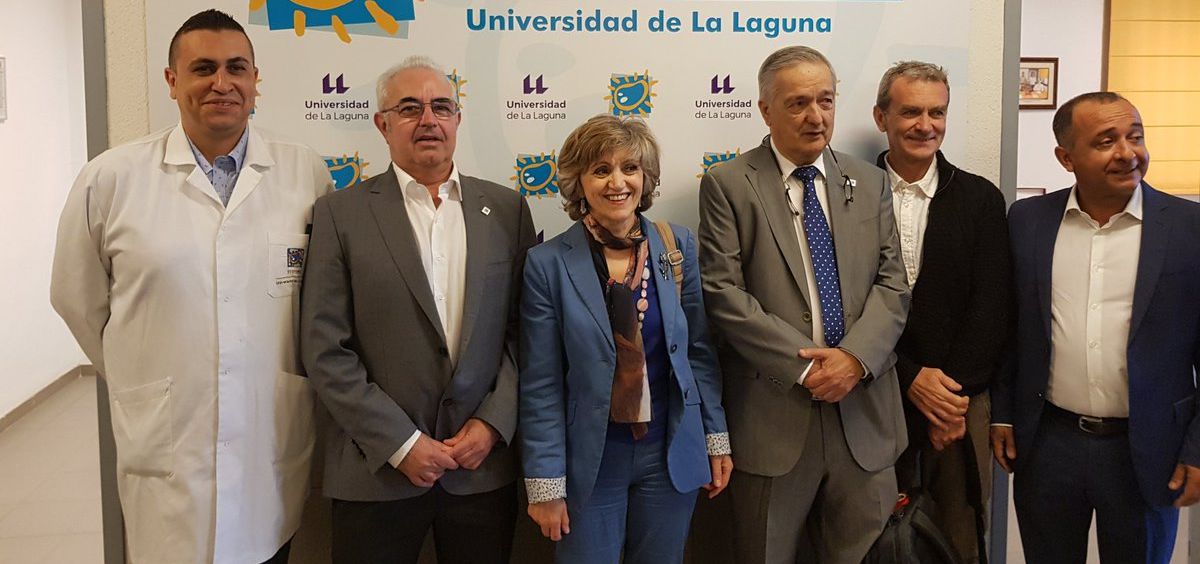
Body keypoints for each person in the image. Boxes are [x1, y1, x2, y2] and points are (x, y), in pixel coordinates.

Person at [49, 9, 333, 563]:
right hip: (167, 451)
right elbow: (76, 300)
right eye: (203, 68)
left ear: (255, 81)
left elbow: (319, 301)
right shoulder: (111, 179)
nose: (221, 83)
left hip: (268, 446)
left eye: (236, 68)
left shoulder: (305, 174)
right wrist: (136, 371)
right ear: (172, 80)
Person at [299, 56, 536, 564]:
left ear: (457, 119)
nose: (429, 119)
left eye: (441, 107)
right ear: (382, 124)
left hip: (480, 470)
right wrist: (401, 443)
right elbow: (324, 349)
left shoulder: (507, 209)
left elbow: (525, 334)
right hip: (375, 470)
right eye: (409, 108)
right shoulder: (340, 214)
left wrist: (492, 424)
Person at [697, 45, 910, 564]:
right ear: (765, 110)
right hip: (774, 415)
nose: (816, 116)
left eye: (826, 100)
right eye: (798, 104)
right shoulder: (728, 184)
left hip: (864, 415)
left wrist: (853, 360)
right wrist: (809, 368)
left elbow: (893, 284)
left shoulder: (871, 180)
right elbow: (723, 293)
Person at [992, 91, 1200, 564]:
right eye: (1106, 141)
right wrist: (1002, 413)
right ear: (1066, 158)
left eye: (1135, 137)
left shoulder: (1189, 228)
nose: (1128, 153)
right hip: (1049, 444)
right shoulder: (1027, 221)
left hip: (1147, 449)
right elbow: (1013, 328)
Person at [519, 114, 732, 564]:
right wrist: (545, 484)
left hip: (669, 451)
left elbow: (698, 354)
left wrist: (716, 438)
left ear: (645, 177)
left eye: (630, 168)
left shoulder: (677, 247)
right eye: (601, 170)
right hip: (590, 460)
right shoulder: (547, 264)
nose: (617, 182)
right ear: (578, 182)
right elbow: (540, 383)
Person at [872, 61, 1011, 564]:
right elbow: (844, 304)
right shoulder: (850, 193)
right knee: (873, 537)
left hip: (958, 403)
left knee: (956, 539)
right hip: (872, 394)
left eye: (937, 112)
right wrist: (910, 378)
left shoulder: (979, 198)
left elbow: (992, 306)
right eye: (911, 112)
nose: (925, 125)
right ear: (881, 117)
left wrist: (948, 402)